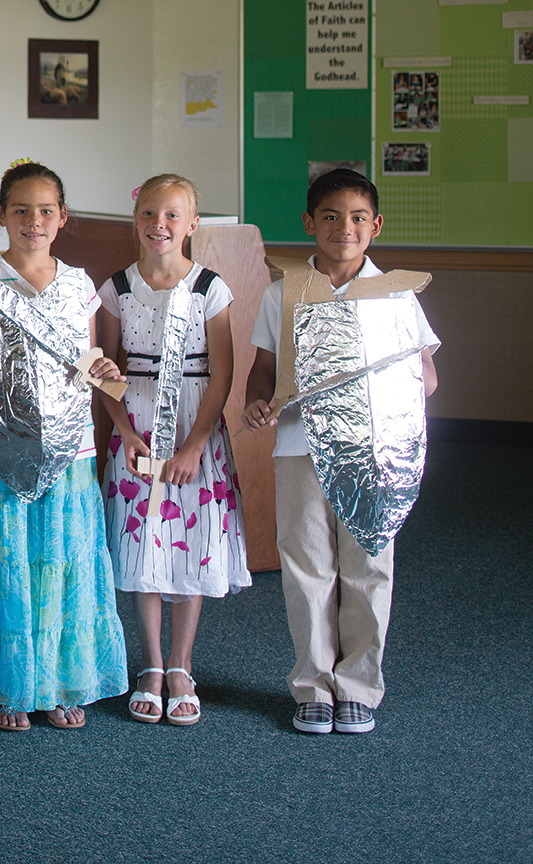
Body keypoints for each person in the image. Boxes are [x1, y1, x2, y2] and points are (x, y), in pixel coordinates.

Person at [243, 167, 438, 736]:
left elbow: (426, 378)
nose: (343, 228)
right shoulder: (283, 294)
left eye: (357, 218)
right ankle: (313, 684)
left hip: (376, 456)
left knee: (369, 564)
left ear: (375, 226)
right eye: (330, 216)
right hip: (300, 449)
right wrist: (260, 404)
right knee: (307, 565)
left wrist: (382, 385)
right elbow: (263, 375)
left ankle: (357, 685)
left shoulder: (397, 295)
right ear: (309, 223)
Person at [0, 161, 129, 732]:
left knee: (65, 563)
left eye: (46, 210)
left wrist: (103, 371)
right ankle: (10, 687)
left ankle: (61, 682)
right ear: (0, 215)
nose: (33, 220)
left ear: (62, 218)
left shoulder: (79, 286)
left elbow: (91, 364)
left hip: (70, 450)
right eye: (20, 210)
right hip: (0, 450)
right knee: (7, 565)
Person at [97, 174, 250, 727]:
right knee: (145, 542)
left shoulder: (212, 288)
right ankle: (153, 666)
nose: (158, 226)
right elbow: (106, 372)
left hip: (193, 425)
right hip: (136, 424)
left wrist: (195, 445)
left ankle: (183, 665)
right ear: (135, 218)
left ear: (191, 224)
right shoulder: (115, 288)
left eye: (172, 216)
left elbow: (223, 373)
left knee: (192, 539)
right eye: (149, 214)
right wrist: (124, 429)